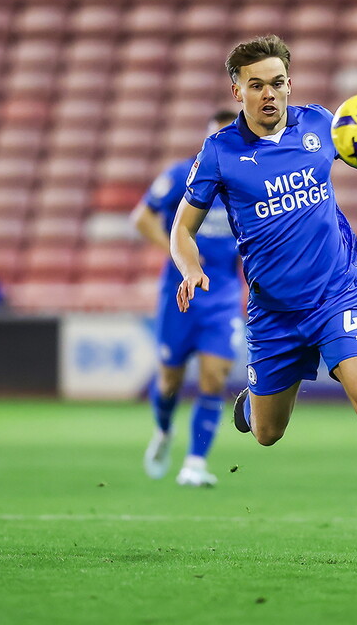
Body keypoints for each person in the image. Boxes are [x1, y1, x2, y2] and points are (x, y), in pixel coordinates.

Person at [170, 35, 357, 565]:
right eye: (256, 85)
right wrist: (190, 268)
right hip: (273, 313)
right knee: (267, 434)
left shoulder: (317, 124)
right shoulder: (219, 151)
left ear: (290, 84)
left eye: (277, 83)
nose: (269, 94)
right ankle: (252, 406)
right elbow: (181, 229)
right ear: (237, 90)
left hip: (336, 293)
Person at [132, 110, 242, 488]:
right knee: (169, 382)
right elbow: (142, 217)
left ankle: (195, 463)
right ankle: (163, 431)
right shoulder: (183, 175)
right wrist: (178, 254)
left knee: (214, 377)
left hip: (224, 291)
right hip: (179, 292)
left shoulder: (250, 181)